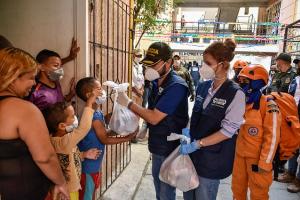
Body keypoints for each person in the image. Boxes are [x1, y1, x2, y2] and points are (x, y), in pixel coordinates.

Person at [116, 42, 189, 200]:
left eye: (153, 65)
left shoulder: (176, 86)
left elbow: (155, 117)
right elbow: (153, 109)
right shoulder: (157, 82)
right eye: (147, 65)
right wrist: (145, 127)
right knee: (158, 185)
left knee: (165, 191)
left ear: (168, 63)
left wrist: (129, 103)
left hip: (169, 147)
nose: (149, 69)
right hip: (158, 144)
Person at [180, 39, 245, 200]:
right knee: (188, 195)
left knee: (203, 195)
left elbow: (228, 131)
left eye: (208, 63)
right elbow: (195, 115)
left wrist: (198, 144)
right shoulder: (203, 87)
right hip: (192, 157)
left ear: (222, 65)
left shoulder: (235, 94)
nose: (203, 67)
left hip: (212, 160)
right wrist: (186, 133)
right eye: (203, 62)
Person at [0, 47, 69, 200]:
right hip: (28, 192)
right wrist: (61, 181)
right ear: (14, 76)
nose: (33, 83)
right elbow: (45, 157)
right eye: (31, 78)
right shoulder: (24, 110)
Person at [75, 77, 137, 200]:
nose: (103, 91)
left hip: (92, 164)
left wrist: (115, 129)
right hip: (89, 166)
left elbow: (103, 134)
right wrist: (126, 138)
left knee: (90, 192)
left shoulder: (94, 111)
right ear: (89, 95)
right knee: (87, 195)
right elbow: (104, 139)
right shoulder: (93, 115)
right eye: (99, 89)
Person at [232, 65, 281, 200]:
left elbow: (273, 137)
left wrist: (265, 163)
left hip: (258, 160)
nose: (241, 85)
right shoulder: (241, 103)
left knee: (258, 192)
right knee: (237, 189)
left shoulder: (269, 105)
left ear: (257, 82)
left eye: (245, 81)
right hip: (240, 156)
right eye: (240, 81)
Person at [43, 87, 101, 200]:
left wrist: (83, 155)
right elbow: (83, 128)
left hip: (65, 188)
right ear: (61, 126)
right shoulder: (64, 142)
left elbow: (67, 157)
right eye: (72, 116)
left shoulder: (56, 139)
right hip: (69, 191)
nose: (75, 118)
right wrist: (89, 102)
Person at [278, 58, 300, 193]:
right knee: (293, 145)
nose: (298, 65)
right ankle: (290, 173)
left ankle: (298, 180)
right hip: (294, 116)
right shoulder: (296, 79)